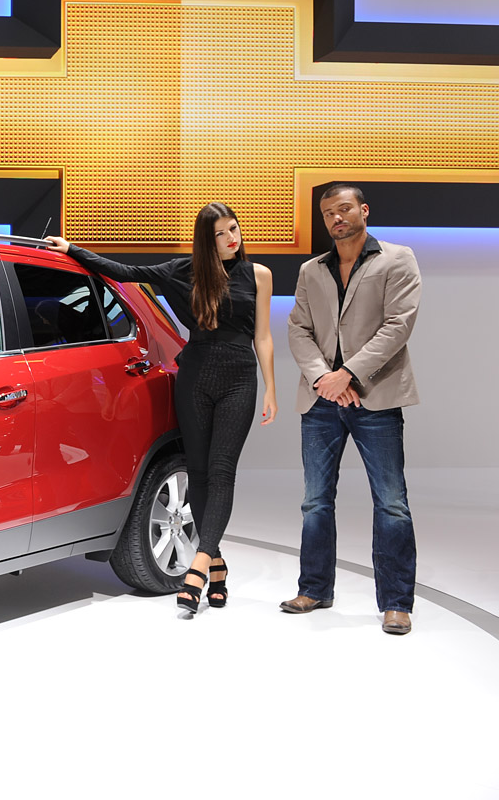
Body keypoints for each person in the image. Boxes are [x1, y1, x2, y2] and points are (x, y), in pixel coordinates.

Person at [47, 202, 277, 616]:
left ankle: (199, 565)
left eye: (234, 228)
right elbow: (122, 272)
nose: (231, 238)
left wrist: (271, 389)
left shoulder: (258, 274)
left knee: (222, 471)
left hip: (240, 380)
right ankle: (217, 563)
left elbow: (263, 336)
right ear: (206, 241)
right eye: (220, 234)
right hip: (195, 377)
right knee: (199, 472)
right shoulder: (181, 272)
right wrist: (73, 250)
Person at [280, 184, 421, 635]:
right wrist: (325, 377)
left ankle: (396, 602)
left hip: (375, 395)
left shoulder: (397, 259)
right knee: (315, 501)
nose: (336, 218)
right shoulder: (311, 269)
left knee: (391, 503)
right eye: (328, 213)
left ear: (364, 210)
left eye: (344, 209)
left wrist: (349, 374)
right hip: (321, 399)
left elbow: (398, 325)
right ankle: (314, 588)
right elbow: (298, 328)